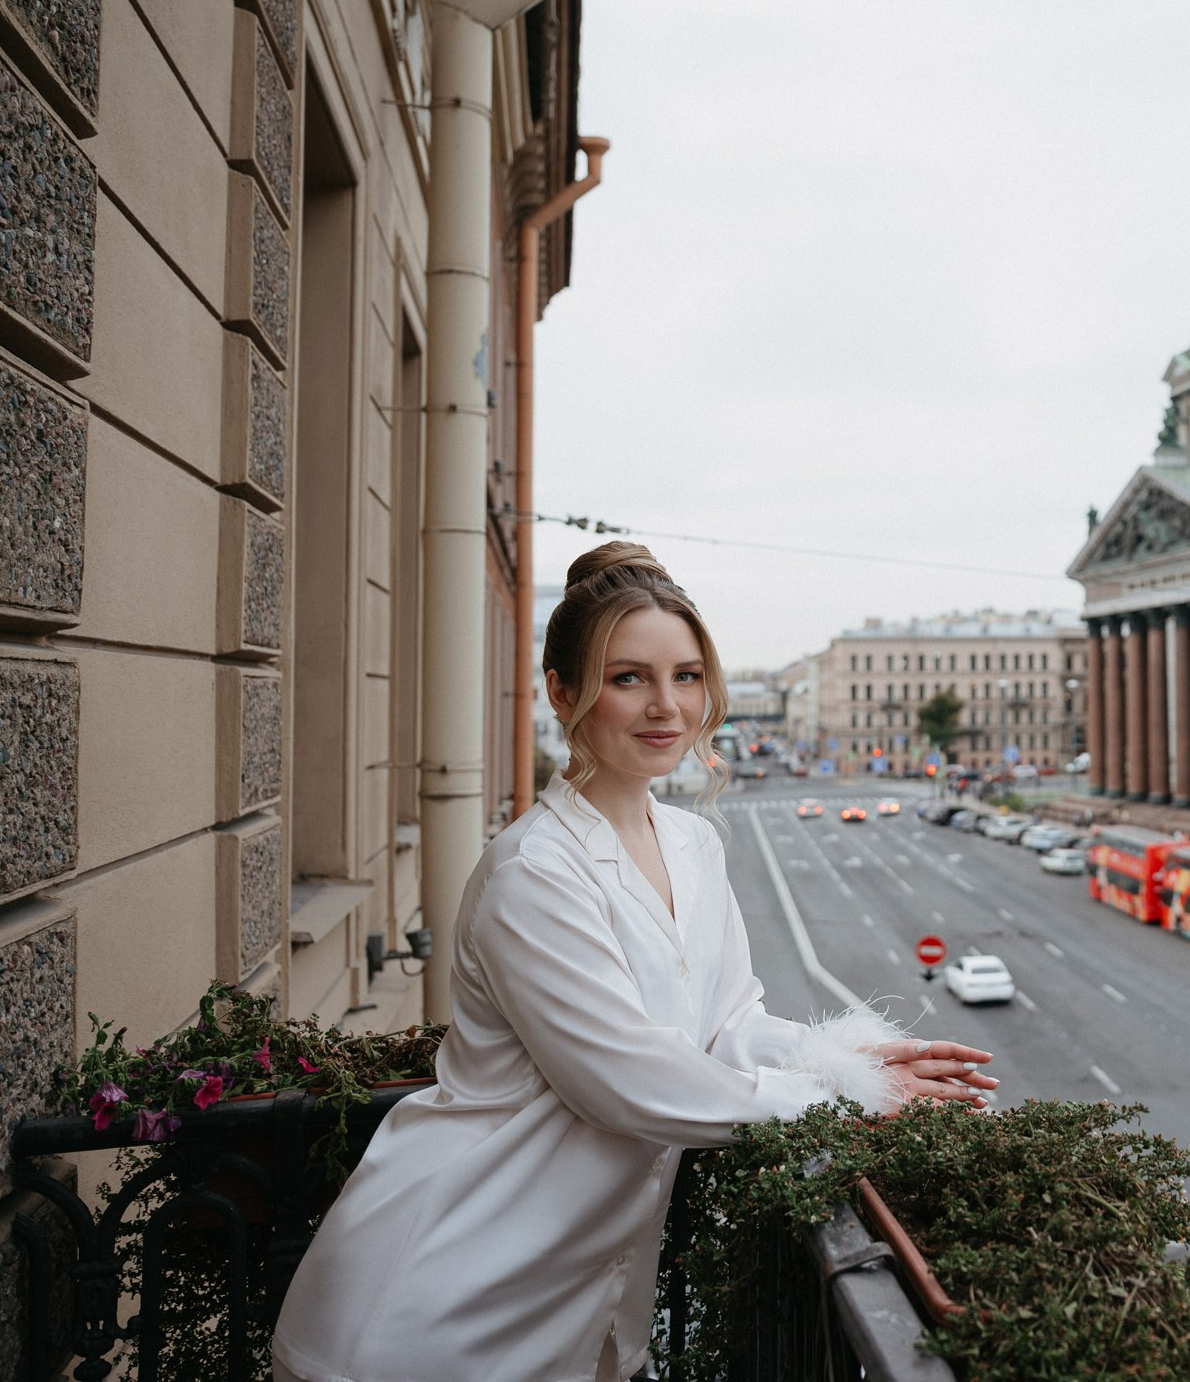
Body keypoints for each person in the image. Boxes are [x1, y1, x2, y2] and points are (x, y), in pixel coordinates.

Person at [274, 545, 997, 1382]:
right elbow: (623, 1078)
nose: (667, 706)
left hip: (580, 1304)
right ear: (562, 692)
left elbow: (728, 1022)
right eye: (628, 678)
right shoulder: (533, 870)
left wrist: (852, 1062)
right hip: (436, 1300)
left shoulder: (690, 842)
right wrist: (838, 1103)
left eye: (687, 676)